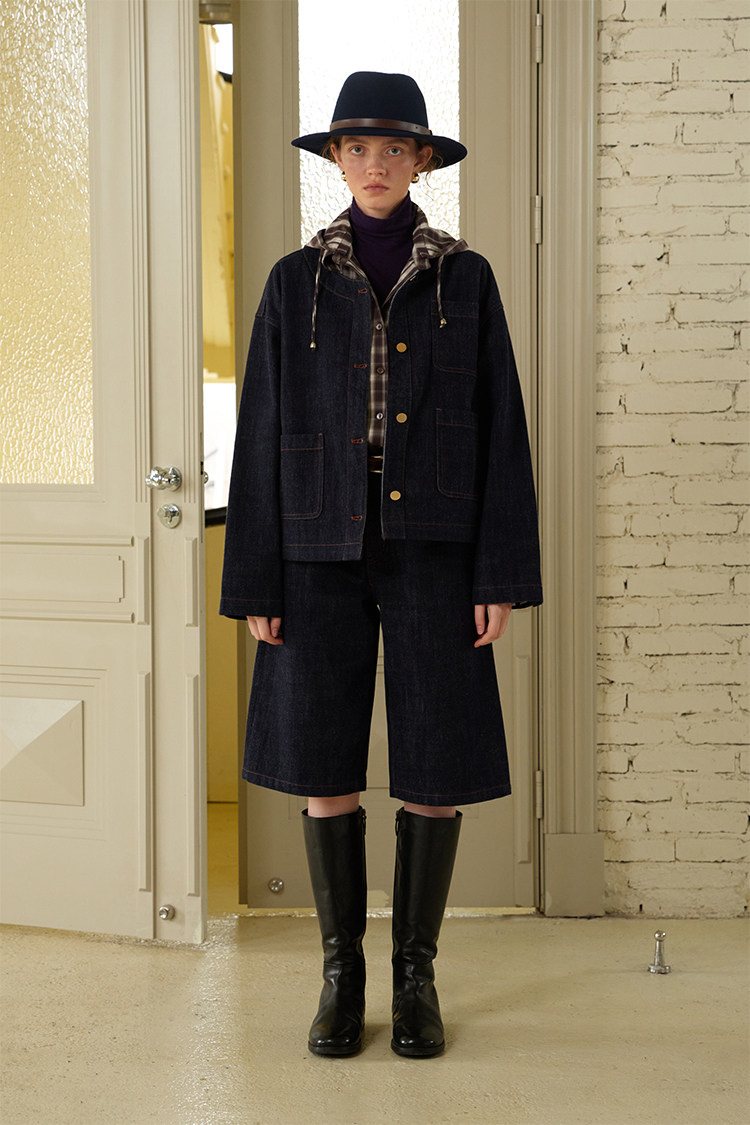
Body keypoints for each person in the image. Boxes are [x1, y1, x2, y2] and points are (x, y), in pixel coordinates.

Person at [220, 71, 542, 1059]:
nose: (374, 164)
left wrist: (497, 573)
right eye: (357, 148)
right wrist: (257, 578)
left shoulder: (467, 279)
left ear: (421, 161)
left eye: (394, 148)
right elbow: (261, 429)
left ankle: (415, 977)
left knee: (435, 756)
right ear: (335, 159)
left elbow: (501, 429)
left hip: (435, 546)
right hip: (314, 544)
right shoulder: (295, 282)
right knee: (321, 753)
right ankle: (340, 976)